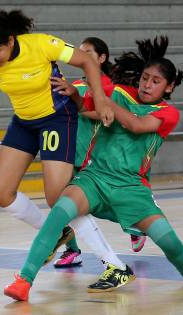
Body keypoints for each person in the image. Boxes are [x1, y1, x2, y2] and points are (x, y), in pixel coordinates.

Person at [4, 36, 183, 301]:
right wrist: (76, 96)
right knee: (58, 212)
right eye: (144, 78)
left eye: (155, 81)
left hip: (132, 189)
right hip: (94, 179)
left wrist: (104, 101)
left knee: (168, 241)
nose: (146, 85)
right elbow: (89, 111)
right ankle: (24, 280)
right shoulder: (119, 93)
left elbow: (136, 125)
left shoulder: (167, 112)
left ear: (169, 87)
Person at [0, 8, 114, 266]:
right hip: (24, 122)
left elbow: (87, 61)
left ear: (10, 41)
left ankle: (113, 263)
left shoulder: (41, 44)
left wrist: (102, 100)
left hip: (57, 117)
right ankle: (56, 232)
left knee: (57, 197)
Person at [53, 37, 146, 269]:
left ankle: (137, 223)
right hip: (69, 150)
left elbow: (109, 115)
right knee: (65, 202)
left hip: (92, 155)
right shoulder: (75, 83)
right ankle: (72, 250)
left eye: (88, 52)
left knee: (98, 203)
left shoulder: (108, 87)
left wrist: (80, 105)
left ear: (102, 58)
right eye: (79, 51)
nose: (81, 55)